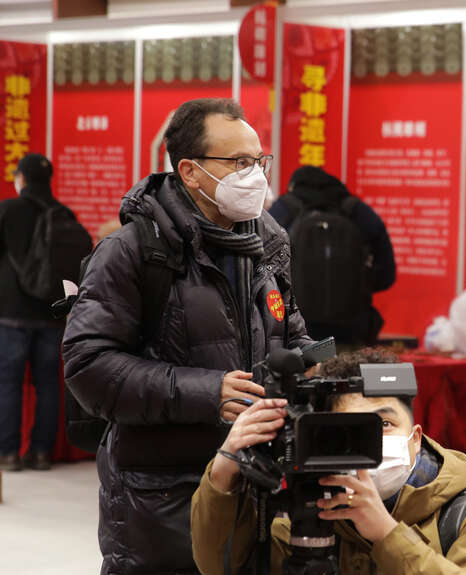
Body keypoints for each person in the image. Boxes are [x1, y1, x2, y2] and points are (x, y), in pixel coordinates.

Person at [62, 98, 314, 574]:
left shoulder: (268, 244)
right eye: (237, 162)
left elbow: (290, 335)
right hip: (163, 497)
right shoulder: (132, 251)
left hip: (257, 484)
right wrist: (207, 392)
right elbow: (88, 366)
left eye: (259, 161)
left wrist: (313, 368)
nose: (254, 175)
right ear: (190, 172)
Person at [191, 348, 466, 574]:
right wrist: (223, 471)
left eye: (384, 425)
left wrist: (387, 535)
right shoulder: (307, 516)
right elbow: (219, 567)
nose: (373, 442)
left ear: (416, 437)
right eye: (351, 430)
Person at [268, 166, 395, 346]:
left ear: (294, 186)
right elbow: (387, 275)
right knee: (352, 365)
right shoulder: (356, 210)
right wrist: (358, 286)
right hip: (352, 329)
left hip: (297, 331)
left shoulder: (285, 208)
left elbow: (262, 268)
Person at [0, 154, 68, 471]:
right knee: (48, 385)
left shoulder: (8, 209)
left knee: (8, 383)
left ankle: (8, 454)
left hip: (10, 312)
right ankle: (41, 453)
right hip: (51, 314)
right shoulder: (63, 214)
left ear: (22, 179)